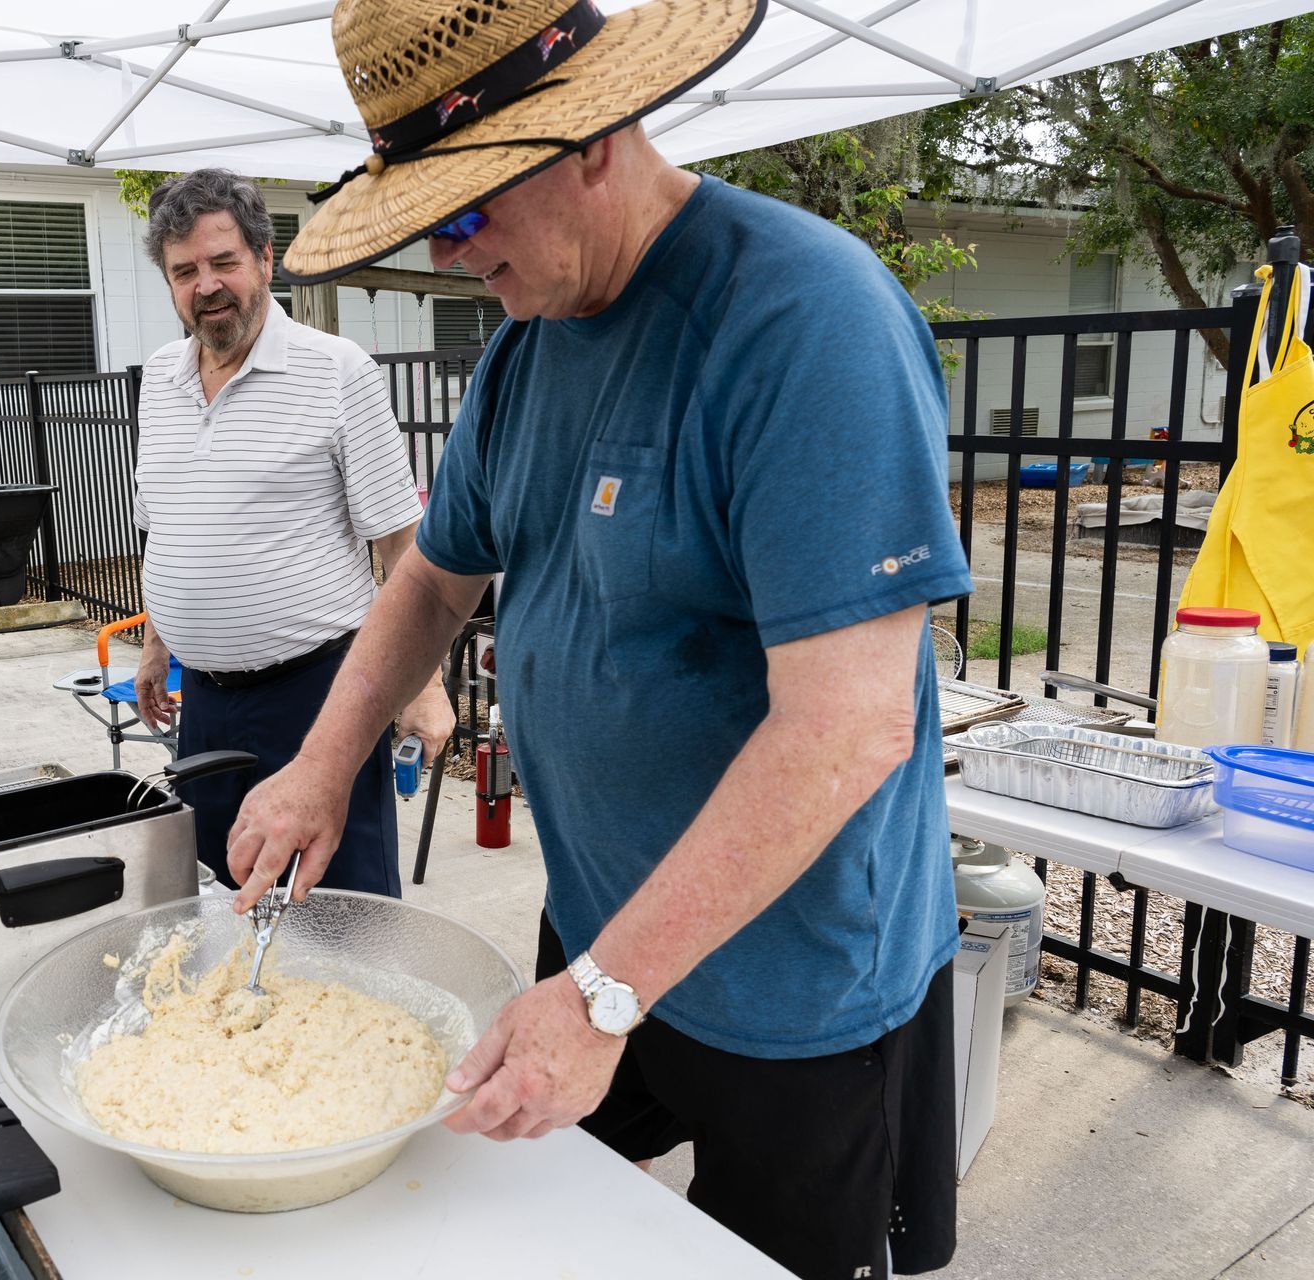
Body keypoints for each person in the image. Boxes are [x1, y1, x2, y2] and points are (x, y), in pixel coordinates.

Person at [225, 2, 974, 1277]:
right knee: (567, 1230)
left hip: (793, 980)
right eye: (429, 223)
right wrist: (322, 761)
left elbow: (850, 723)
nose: (455, 255)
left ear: (591, 141)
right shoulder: (528, 343)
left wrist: (604, 996)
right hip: (599, 923)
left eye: (468, 213)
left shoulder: (806, 323)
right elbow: (432, 580)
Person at [130, 168, 454, 897]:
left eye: (223, 262)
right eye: (185, 272)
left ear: (265, 259)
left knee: (340, 911)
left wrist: (423, 684)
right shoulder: (159, 379)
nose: (206, 286)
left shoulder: (338, 371)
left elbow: (403, 545)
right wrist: (156, 647)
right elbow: (163, 525)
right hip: (205, 708)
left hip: (321, 700)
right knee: (221, 901)